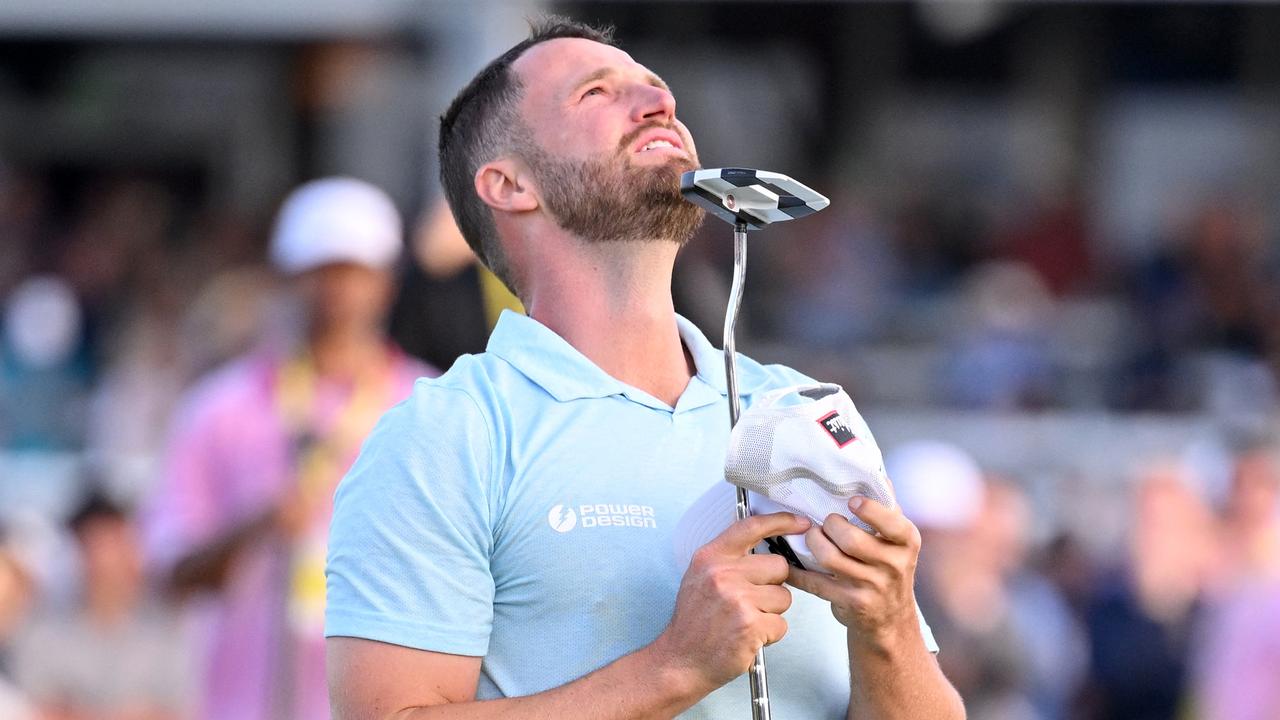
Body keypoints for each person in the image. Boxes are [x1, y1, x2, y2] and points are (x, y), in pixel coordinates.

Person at [325, 17, 964, 720]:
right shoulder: (444, 434)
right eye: (596, 93)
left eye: (658, 91)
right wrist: (672, 669)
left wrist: (891, 626)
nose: (660, 104)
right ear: (510, 184)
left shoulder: (794, 408)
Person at [143, 177, 435, 720]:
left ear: (386, 281)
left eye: (355, 271)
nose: (337, 290)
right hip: (243, 705)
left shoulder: (430, 408)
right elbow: (169, 575)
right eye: (318, 272)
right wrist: (256, 527)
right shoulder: (219, 409)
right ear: (284, 279)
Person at [12, 492, 190, 720]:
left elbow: (180, 711)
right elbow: (37, 711)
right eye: (97, 545)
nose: (109, 559)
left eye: (117, 542)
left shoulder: (167, 626)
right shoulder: (43, 629)